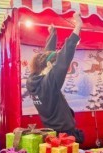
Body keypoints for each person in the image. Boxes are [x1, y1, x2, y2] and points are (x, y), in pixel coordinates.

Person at [26, 13, 84, 144]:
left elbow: (45, 57)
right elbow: (64, 57)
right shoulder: (49, 84)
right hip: (64, 134)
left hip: (52, 131)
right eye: (53, 64)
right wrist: (78, 27)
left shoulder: (33, 80)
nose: (55, 67)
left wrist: (52, 34)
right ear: (48, 65)